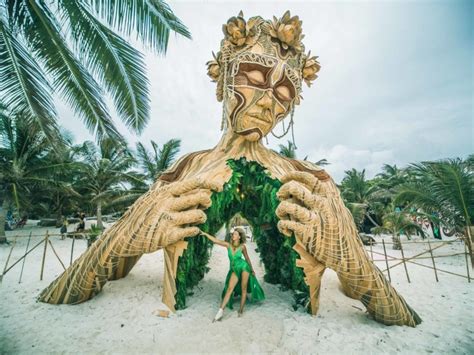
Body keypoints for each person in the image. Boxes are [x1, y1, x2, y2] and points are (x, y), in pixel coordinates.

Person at [201, 228, 265, 322]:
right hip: (234, 269)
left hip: (244, 267)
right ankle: (220, 312)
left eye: (235, 234)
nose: (233, 235)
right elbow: (216, 240)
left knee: (244, 289)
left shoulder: (242, 247)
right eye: (233, 234)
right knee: (229, 289)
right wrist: (205, 234)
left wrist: (252, 269)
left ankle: (241, 310)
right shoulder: (228, 245)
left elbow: (247, 258)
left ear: (239, 237)